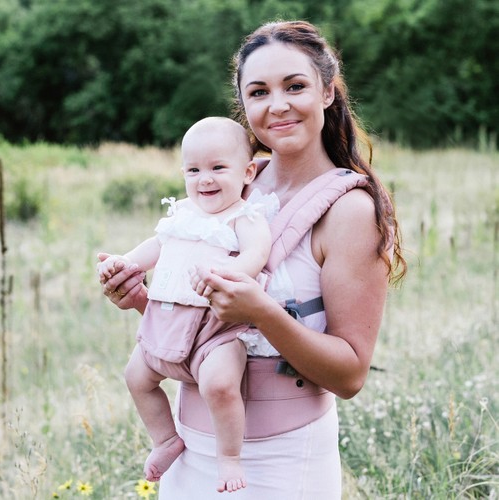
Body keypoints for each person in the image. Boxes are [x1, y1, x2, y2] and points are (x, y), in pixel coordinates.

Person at [99, 20, 406, 499]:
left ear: (327, 91)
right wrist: (142, 298)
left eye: (295, 86)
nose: (277, 104)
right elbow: (206, 325)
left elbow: (350, 375)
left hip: (280, 460)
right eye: (259, 92)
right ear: (243, 106)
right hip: (190, 448)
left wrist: (260, 310)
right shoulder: (231, 184)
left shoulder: (348, 211)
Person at [97, 116, 276, 492]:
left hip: (217, 329)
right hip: (165, 322)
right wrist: (125, 263)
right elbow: (156, 246)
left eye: (217, 168)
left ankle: (229, 457)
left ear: (247, 172)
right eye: (193, 170)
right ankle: (165, 439)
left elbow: (257, 254)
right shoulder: (181, 215)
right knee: (136, 377)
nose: (204, 179)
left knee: (220, 385)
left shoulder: (244, 217)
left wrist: (228, 272)